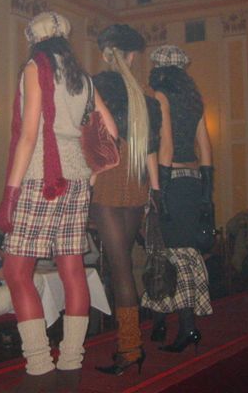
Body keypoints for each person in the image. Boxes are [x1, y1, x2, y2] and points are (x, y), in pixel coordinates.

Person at [0, 11, 117, 376]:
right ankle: (71, 358)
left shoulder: (36, 67)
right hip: (76, 179)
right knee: (72, 267)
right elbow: (112, 131)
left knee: (16, 270)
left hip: (41, 176)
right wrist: (93, 172)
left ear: (35, 39)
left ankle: (38, 360)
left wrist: (10, 191)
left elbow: (29, 135)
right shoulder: (84, 78)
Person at [89, 24, 161, 375]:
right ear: (131, 57)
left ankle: (130, 348)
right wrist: (154, 191)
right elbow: (151, 149)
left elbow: (87, 137)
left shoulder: (96, 87)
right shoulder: (146, 97)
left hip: (107, 176)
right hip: (137, 180)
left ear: (107, 55)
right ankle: (130, 346)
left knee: (119, 268)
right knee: (123, 265)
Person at [141, 45, 214, 353]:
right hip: (194, 181)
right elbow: (205, 148)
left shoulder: (161, 96)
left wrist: (160, 190)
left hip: (171, 179)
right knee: (169, 249)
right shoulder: (195, 101)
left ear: (159, 70)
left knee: (171, 251)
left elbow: (166, 146)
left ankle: (187, 328)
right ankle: (160, 322)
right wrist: (207, 194)